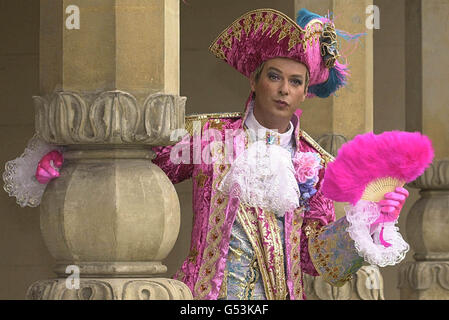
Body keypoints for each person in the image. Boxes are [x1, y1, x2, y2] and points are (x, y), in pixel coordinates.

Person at [20, 8, 411, 300]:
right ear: (255, 80)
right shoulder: (208, 137)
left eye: (295, 82)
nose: (283, 90)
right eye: (274, 76)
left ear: (305, 92)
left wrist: (369, 221)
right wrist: (66, 162)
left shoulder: (318, 165)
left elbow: (319, 262)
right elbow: (135, 167)